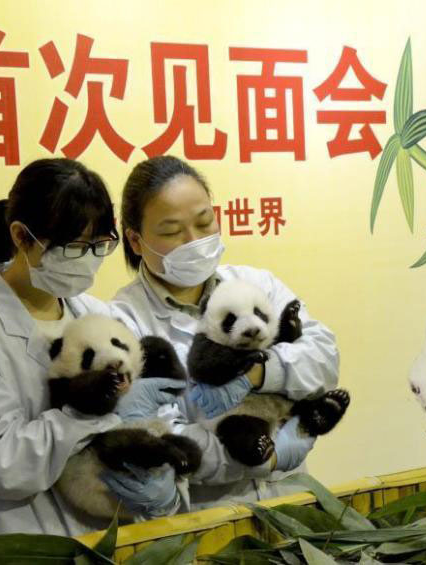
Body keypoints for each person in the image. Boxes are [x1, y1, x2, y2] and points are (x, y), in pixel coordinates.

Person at [0, 159, 184, 541]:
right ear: (21, 236)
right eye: (74, 247)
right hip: (24, 537)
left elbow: (163, 413)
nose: (90, 260)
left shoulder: (98, 314)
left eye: (99, 245)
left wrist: (166, 482)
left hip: (114, 535)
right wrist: (93, 410)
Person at [112, 155, 340, 509]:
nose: (194, 240)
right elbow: (166, 436)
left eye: (205, 222)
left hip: (295, 502)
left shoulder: (255, 283)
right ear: (136, 240)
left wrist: (261, 372)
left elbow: (322, 357)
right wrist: (266, 457)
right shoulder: (124, 323)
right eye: (173, 231)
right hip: (213, 516)